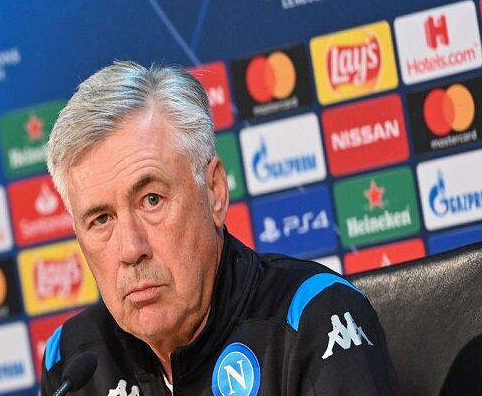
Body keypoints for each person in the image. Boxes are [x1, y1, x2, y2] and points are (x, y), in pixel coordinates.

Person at [41, 61, 399, 395]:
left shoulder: (315, 318)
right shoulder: (70, 359)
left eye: (151, 200)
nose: (131, 249)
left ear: (214, 192)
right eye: (101, 219)